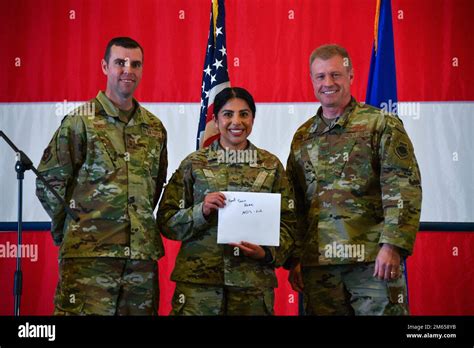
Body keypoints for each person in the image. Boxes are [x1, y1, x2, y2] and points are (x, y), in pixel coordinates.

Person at [285, 44, 422, 315]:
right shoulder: (303, 136)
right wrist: (295, 258)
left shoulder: (381, 124)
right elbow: (295, 203)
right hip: (320, 268)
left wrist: (392, 245)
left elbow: (403, 188)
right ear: (312, 81)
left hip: (372, 263)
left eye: (335, 74)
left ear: (351, 76)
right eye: (320, 76)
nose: (328, 83)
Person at [36, 37, 168, 315]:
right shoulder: (79, 121)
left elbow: (154, 187)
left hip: (139, 264)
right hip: (89, 260)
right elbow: (49, 183)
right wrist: (76, 227)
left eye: (135, 64)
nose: (127, 70)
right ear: (105, 66)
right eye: (120, 62)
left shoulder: (154, 128)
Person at [157, 87, 295, 315]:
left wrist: (267, 253)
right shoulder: (194, 164)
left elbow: (290, 223)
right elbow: (166, 220)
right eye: (228, 114)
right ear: (215, 119)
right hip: (199, 289)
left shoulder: (271, 165)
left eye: (244, 114)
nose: (236, 121)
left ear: (253, 118)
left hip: (252, 287)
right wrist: (200, 211)